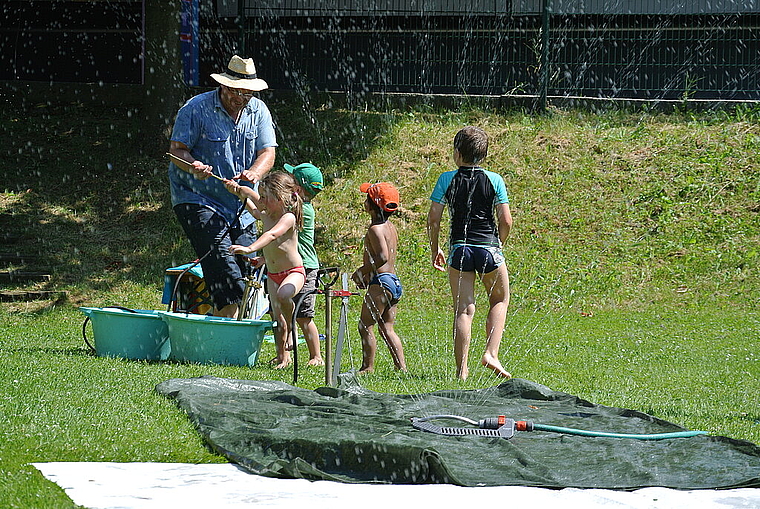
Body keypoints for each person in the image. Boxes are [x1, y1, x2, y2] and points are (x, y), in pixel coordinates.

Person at [168, 55, 277, 318]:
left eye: (247, 93)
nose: (241, 98)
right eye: (236, 92)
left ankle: (225, 322)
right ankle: (227, 321)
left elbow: (268, 153)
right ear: (224, 86)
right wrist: (194, 164)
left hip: (242, 203)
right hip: (198, 198)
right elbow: (176, 151)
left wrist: (254, 172)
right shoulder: (195, 109)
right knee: (222, 261)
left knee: (248, 267)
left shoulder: (259, 110)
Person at [427, 126, 513, 381]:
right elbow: (506, 220)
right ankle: (491, 354)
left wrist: (436, 248)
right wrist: (499, 244)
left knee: (464, 310)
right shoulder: (494, 179)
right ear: (483, 155)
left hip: (460, 250)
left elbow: (434, 219)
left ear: (457, 153)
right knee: (499, 299)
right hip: (488, 249)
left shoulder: (447, 179)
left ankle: (461, 370)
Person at [227, 171, 305, 369]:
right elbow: (254, 207)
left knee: (284, 294)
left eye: (265, 197)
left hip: (293, 272)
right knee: (277, 319)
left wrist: (250, 248)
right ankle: (282, 357)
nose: (261, 200)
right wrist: (239, 192)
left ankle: (294, 328)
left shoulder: (288, 218)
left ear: (280, 199)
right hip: (273, 274)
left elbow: (271, 235)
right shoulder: (267, 214)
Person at [351, 182, 407, 374]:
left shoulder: (375, 229)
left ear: (372, 205)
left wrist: (362, 271)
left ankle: (368, 367)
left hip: (381, 283)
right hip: (393, 282)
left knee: (365, 325)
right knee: (387, 328)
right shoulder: (390, 227)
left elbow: (382, 256)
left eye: (366, 198)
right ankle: (401, 367)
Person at [285, 163, 325, 367]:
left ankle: (316, 356)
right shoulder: (298, 206)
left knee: (304, 316)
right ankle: (285, 354)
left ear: (298, 189)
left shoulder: (303, 211)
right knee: (284, 311)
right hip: (292, 265)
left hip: (306, 267)